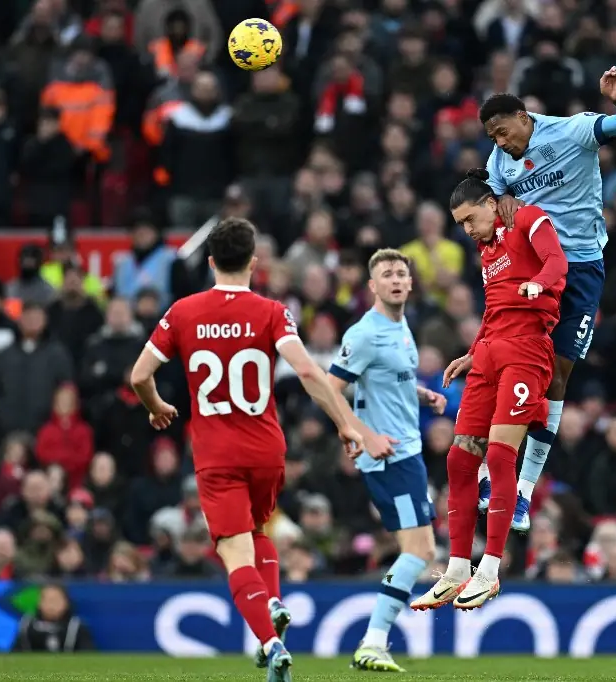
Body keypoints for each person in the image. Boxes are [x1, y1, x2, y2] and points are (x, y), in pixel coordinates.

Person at [130, 217, 363, 682]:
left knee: (234, 553)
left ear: (210, 261)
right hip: (265, 450)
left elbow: (139, 376)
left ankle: (272, 644)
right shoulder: (273, 312)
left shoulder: (183, 311)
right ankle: (272, 604)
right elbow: (309, 372)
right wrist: (345, 424)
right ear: (254, 263)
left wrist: (156, 407)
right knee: (257, 531)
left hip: (216, 454)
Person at [474, 68, 616, 531]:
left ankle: (524, 491)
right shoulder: (499, 160)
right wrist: (499, 203)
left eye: (503, 131)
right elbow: (491, 197)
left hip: (583, 268)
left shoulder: (573, 131)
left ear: (523, 116)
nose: (501, 143)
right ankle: (494, 473)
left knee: (557, 375)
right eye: (493, 137)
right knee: (513, 365)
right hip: (534, 268)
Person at [411, 169, 567, 611]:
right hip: (488, 355)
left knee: (499, 456)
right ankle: (457, 569)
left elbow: (557, 262)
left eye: (469, 219)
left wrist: (539, 283)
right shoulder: (487, 252)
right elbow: (493, 309)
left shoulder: (528, 219)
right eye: (459, 224)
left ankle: (490, 570)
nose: (466, 229)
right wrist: (471, 351)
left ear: (490, 203)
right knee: (460, 460)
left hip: (526, 351)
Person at [326, 248, 446, 672]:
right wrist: (365, 434)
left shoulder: (400, 326)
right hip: (390, 456)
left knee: (421, 549)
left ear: (410, 283)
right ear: (372, 286)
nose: (395, 280)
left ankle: (374, 641)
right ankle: (373, 640)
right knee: (419, 550)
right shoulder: (365, 334)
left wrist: (420, 393)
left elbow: (390, 378)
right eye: (387, 275)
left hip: (406, 451)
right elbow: (328, 389)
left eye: (400, 273)